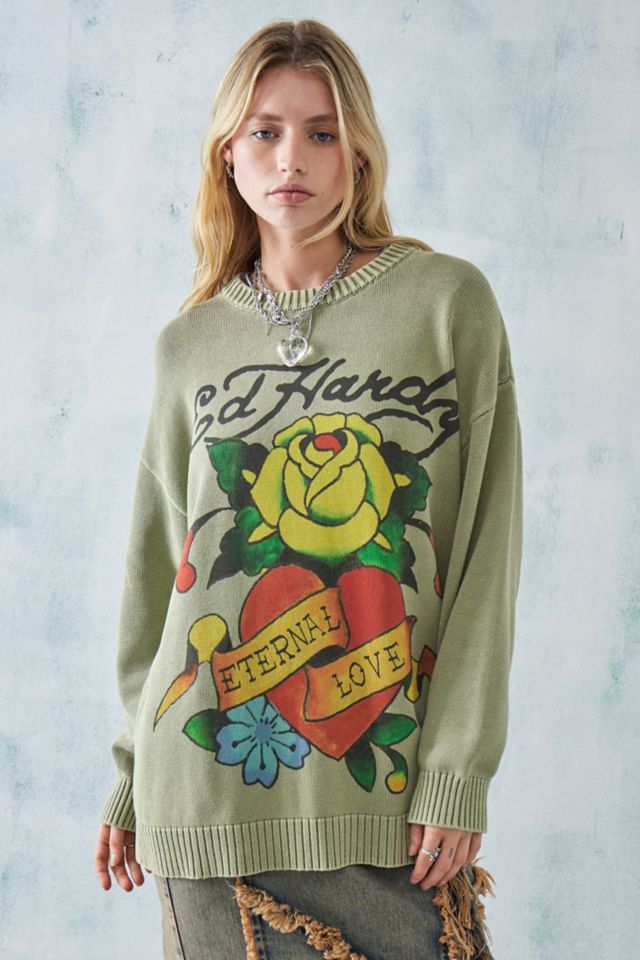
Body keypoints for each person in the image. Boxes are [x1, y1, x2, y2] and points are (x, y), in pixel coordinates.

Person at [93, 17, 523, 960]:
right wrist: (130, 775)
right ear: (228, 154)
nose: (292, 158)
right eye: (266, 131)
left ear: (358, 153)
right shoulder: (189, 346)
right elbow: (158, 575)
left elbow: (486, 552)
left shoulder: (446, 305)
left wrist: (458, 770)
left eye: (321, 132)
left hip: (393, 810)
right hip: (206, 802)